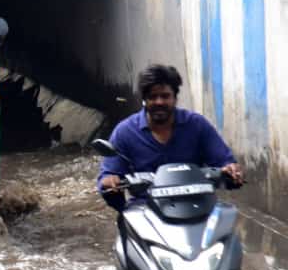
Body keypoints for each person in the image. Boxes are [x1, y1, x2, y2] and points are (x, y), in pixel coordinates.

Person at [97, 64, 243, 211]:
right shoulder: (125, 132)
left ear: (175, 98)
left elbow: (223, 160)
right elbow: (109, 174)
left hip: (197, 207)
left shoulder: (197, 125)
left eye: (165, 96)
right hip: (145, 212)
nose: (159, 102)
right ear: (144, 100)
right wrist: (110, 181)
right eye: (153, 97)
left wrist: (231, 170)